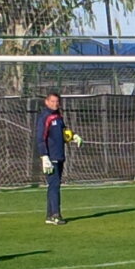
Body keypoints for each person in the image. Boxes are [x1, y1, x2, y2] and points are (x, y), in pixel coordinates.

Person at [35, 91, 81, 224]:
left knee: (54, 185)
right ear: (46, 102)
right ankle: (56, 214)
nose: (55, 104)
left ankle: (50, 215)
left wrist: (73, 136)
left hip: (59, 155)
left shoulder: (58, 116)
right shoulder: (45, 117)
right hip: (51, 156)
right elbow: (40, 137)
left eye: (57, 101)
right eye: (52, 101)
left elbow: (63, 132)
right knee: (54, 185)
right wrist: (44, 156)